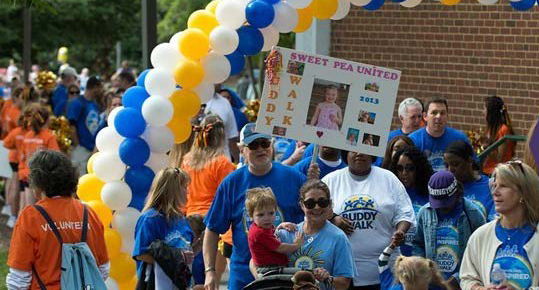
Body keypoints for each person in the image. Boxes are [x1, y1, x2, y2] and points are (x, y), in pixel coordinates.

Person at [203, 122, 307, 290]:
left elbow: (312, 219)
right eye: (253, 145)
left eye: (265, 143)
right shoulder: (231, 183)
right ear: (241, 149)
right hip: (244, 275)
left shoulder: (295, 178)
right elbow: (212, 229)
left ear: (272, 145)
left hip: (287, 274)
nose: (260, 149)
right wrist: (210, 271)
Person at [6, 150, 109, 289]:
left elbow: (19, 278)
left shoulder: (30, 217)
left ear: (38, 182)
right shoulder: (89, 213)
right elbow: (102, 269)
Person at [322, 150, 416, 289]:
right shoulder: (331, 180)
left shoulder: (388, 178)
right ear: (345, 153)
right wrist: (333, 218)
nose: (359, 153)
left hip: (386, 272)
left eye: (364, 149)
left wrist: (400, 231)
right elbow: (314, 212)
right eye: (353, 150)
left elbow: (405, 213)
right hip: (343, 273)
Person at [460, 161, 539, 290]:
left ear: (523, 193)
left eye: (503, 186)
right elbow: (467, 278)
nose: (495, 192)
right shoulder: (481, 235)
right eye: (494, 185)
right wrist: (480, 289)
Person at [181, 114, 236, 286]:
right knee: (212, 280)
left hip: (189, 223)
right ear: (221, 136)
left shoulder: (187, 160)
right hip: (213, 227)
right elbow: (228, 199)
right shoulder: (222, 163)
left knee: (194, 280)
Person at [277, 180, 356, 290]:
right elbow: (255, 261)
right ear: (301, 205)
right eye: (310, 204)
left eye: (322, 202)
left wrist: (328, 278)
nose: (317, 207)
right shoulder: (286, 234)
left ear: (330, 204)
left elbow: (344, 284)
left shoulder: (339, 238)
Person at [413, 171, 485, 289]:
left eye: (445, 203)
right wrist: (422, 268)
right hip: (432, 284)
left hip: (462, 284)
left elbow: (481, 252)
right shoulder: (424, 213)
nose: (441, 207)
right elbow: (418, 244)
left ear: (457, 193)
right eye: (438, 203)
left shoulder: (473, 214)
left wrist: (458, 278)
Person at [133, 167, 194, 278]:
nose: (188, 191)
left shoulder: (182, 219)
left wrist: (202, 242)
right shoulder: (150, 218)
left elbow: (187, 252)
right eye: (184, 187)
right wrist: (174, 261)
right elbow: (141, 254)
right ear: (172, 190)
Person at [389, 146, 434, 256]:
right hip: (396, 258)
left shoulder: (429, 195)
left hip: (422, 260)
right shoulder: (389, 195)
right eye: (400, 168)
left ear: (419, 168)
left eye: (410, 168)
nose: (404, 173)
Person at [246, 187, 303, 271]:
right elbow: (280, 248)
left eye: (271, 213)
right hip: (269, 269)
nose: (267, 218)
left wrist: (280, 226)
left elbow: (270, 233)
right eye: (261, 215)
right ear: (251, 216)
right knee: (300, 273)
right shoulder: (259, 233)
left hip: (272, 266)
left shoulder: (260, 226)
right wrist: (296, 245)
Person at [409, 98, 472, 172]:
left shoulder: (460, 138)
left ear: (447, 116)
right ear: (425, 116)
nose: (438, 116)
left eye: (442, 113)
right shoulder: (413, 140)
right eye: (434, 113)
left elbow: (473, 166)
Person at [19, 104, 60, 209]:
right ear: (46, 120)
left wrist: (22, 172)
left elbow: (22, 157)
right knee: (41, 209)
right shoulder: (49, 136)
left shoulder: (28, 135)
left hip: (27, 175)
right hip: (42, 179)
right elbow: (56, 158)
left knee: (28, 207)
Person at [445, 140, 495, 221]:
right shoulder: (447, 188)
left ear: (469, 161)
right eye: (446, 165)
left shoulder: (489, 186)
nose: (450, 170)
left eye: (455, 164)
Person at [378, 240, 449, 290]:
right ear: (429, 276)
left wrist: (393, 244)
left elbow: (382, 262)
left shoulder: (392, 286)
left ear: (401, 278)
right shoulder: (437, 287)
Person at [66, 75, 101, 175]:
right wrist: (77, 144)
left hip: (92, 147)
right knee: (79, 176)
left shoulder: (94, 104)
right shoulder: (78, 102)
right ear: (95, 87)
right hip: (81, 147)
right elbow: (71, 125)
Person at [205, 86, 240, 162]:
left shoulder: (224, 103)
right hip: (197, 164)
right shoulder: (192, 100)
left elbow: (232, 138)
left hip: (223, 163)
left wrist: (238, 163)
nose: (220, 82)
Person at [482, 96, 515, 175]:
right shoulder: (491, 128)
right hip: (486, 170)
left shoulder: (504, 130)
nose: (483, 112)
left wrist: (486, 148)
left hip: (498, 173)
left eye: (484, 109)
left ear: (491, 112)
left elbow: (500, 157)